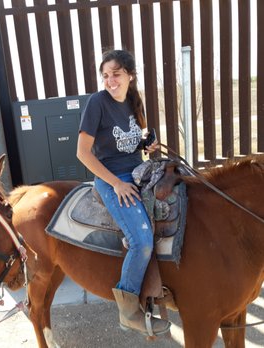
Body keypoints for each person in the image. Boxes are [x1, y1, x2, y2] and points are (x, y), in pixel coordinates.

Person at [77, 49, 171, 337]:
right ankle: (128, 310)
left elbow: (133, 142)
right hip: (111, 178)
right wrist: (116, 184)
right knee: (141, 240)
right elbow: (82, 153)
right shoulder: (97, 103)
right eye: (106, 75)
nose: (110, 80)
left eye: (116, 74)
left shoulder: (133, 101)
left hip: (138, 172)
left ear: (130, 75)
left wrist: (149, 147)